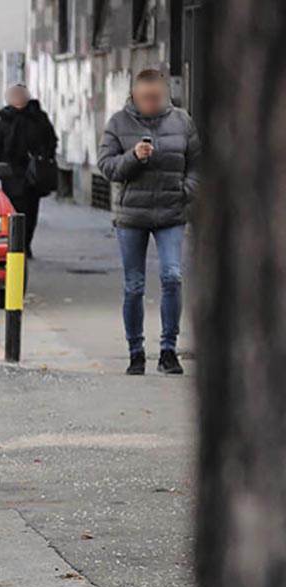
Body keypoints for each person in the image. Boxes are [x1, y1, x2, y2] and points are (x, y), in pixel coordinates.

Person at [98, 68, 202, 376]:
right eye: (145, 98)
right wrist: (133, 156)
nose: (151, 103)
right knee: (134, 285)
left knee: (172, 276)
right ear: (134, 95)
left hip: (171, 212)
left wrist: (186, 191)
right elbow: (106, 166)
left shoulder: (182, 121)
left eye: (156, 97)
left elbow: (198, 163)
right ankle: (136, 352)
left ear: (165, 93)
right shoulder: (118, 122)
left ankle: (168, 351)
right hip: (132, 215)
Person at [0, 83, 57, 258]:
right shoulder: (5, 119)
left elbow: (51, 140)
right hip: (11, 173)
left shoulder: (38, 117)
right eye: (14, 95)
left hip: (34, 173)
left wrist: (43, 156)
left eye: (20, 95)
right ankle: (16, 245)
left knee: (31, 211)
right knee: (15, 211)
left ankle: (26, 244)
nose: (18, 99)